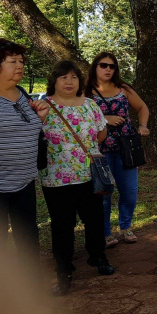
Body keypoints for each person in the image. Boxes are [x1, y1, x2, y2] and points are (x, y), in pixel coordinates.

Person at [40, 61, 115, 295]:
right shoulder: (43, 106)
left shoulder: (90, 105)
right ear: (54, 81)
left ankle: (98, 256)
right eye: (63, 77)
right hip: (55, 178)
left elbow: (101, 132)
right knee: (62, 225)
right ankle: (64, 270)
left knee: (94, 219)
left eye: (73, 77)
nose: (69, 82)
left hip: (88, 175)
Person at [0, 39, 48, 259]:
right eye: (12, 61)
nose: (20, 66)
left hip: (25, 183)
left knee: (29, 241)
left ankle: (30, 280)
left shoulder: (22, 94)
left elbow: (25, 132)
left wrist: (40, 118)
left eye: (21, 61)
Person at [86, 53, 150, 247]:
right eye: (103, 65)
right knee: (104, 194)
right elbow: (80, 117)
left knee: (129, 192)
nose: (108, 69)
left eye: (112, 66)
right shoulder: (86, 91)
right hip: (99, 150)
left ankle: (125, 228)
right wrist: (105, 119)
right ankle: (105, 233)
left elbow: (142, 107)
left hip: (126, 148)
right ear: (95, 67)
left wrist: (143, 125)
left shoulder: (123, 89)